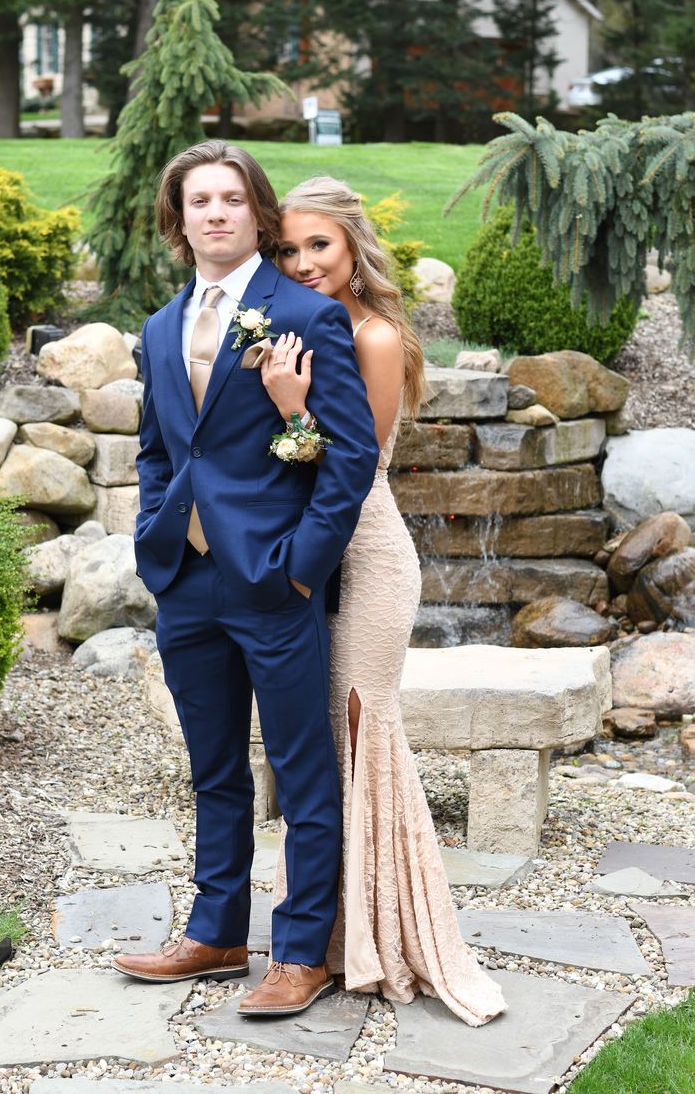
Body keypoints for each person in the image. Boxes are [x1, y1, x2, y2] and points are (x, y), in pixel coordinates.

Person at [111, 143, 379, 1018]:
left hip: (272, 581)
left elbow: (347, 457)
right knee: (214, 768)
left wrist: (301, 570)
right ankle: (215, 930)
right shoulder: (158, 327)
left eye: (232, 198)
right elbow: (160, 449)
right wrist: (157, 538)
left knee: (303, 773)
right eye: (200, 200)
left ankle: (301, 951)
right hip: (184, 579)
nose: (216, 213)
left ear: (257, 213)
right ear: (178, 218)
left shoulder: (303, 312)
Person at [261, 176, 506, 1026]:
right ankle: (327, 933)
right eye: (287, 249)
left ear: (354, 245)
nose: (302, 263)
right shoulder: (298, 326)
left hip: (366, 555)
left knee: (358, 727)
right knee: (324, 741)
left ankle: (378, 934)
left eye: (318, 245)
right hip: (317, 559)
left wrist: (289, 409)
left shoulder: (373, 336)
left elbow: (348, 469)